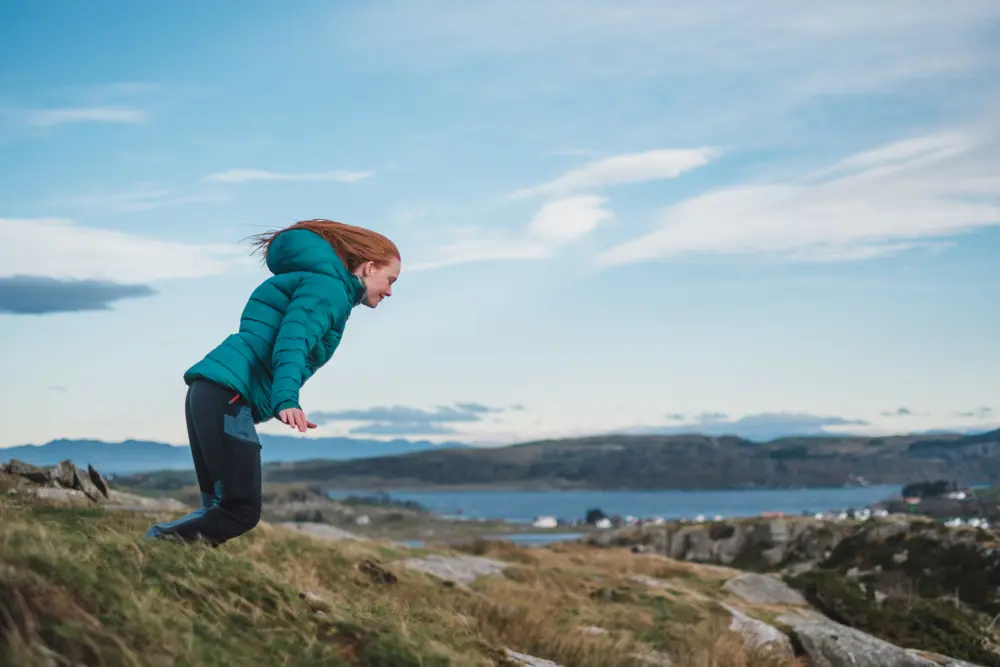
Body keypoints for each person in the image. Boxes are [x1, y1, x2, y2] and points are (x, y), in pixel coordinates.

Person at [145, 219, 401, 546]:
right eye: (390, 279)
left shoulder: (317, 282)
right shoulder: (330, 289)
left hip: (210, 391)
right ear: (368, 267)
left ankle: (159, 560)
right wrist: (286, 399)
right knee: (240, 511)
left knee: (219, 507)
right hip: (227, 395)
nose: (391, 290)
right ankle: (148, 548)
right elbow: (291, 341)